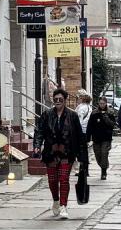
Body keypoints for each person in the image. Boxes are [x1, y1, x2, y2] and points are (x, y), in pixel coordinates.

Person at [34, 87, 84, 219]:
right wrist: (37, 146)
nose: (57, 101)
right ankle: (56, 200)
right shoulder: (46, 114)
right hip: (50, 152)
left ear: (65, 100)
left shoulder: (72, 115)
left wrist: (81, 154)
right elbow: (39, 131)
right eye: (55, 99)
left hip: (67, 152)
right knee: (52, 180)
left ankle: (63, 205)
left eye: (60, 99)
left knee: (64, 179)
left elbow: (79, 135)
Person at [87, 97, 116, 179]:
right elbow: (90, 126)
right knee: (98, 155)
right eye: (100, 103)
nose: (102, 105)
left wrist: (106, 118)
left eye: (103, 103)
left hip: (106, 138)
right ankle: (104, 165)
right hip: (96, 138)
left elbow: (113, 125)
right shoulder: (94, 113)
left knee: (104, 153)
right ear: (98, 103)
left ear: (106, 103)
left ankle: (103, 172)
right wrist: (88, 138)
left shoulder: (110, 112)